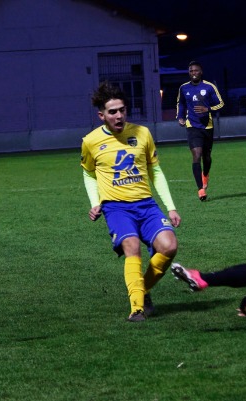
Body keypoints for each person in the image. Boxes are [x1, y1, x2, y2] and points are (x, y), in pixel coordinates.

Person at [81, 81, 182, 322]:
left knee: (169, 247)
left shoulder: (142, 133)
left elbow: (155, 170)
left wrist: (171, 207)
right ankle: (137, 308)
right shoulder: (91, 141)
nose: (119, 115)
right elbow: (88, 173)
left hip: (146, 204)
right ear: (102, 115)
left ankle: (141, 289)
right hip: (116, 207)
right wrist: (95, 202)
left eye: (122, 110)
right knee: (132, 246)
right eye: (112, 112)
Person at [176, 60, 225, 201]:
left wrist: (207, 109)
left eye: (196, 70)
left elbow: (221, 104)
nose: (193, 73)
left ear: (201, 72)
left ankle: (205, 174)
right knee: (196, 155)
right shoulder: (183, 88)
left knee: (206, 157)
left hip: (207, 126)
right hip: (192, 125)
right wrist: (180, 117)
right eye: (191, 71)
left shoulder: (209, 87)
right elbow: (181, 103)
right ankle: (200, 190)